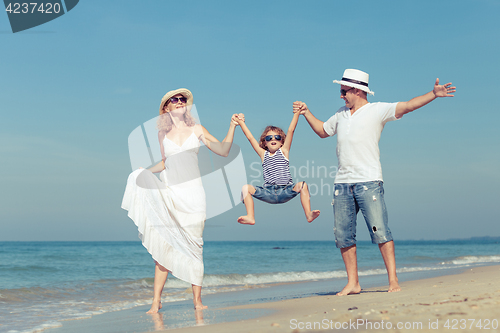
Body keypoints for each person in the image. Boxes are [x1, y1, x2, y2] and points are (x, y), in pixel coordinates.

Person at [293, 69, 456, 295]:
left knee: (381, 232)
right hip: (342, 184)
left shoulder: (377, 110)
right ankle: (353, 283)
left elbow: (408, 105)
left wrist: (433, 94)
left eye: (343, 91)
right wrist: (306, 112)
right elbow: (322, 131)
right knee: (343, 236)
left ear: (357, 90)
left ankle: (392, 280)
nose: (341, 95)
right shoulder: (340, 114)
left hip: (369, 182)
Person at [122, 88, 239, 313]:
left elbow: (223, 151)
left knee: (195, 245)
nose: (179, 102)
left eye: (182, 99)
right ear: (166, 108)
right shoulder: (162, 135)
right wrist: (145, 172)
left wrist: (232, 126)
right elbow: (165, 163)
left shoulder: (197, 129)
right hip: (170, 193)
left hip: (193, 196)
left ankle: (197, 301)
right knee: (164, 245)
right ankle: (156, 302)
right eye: (173, 100)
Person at [233, 112, 320, 225]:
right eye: (269, 138)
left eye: (277, 137)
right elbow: (250, 138)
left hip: (285, 190)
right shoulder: (262, 154)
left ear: (282, 141)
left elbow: (291, 130)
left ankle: (308, 214)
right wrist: (241, 123)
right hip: (268, 192)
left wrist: (297, 113)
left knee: (303, 185)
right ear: (264, 142)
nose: (273, 139)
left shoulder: (284, 151)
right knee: (246, 188)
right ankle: (250, 216)